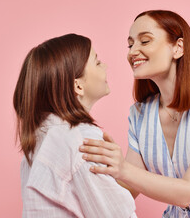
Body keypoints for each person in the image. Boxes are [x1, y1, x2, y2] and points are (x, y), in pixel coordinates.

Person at [79, 10, 190, 217]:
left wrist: (122, 168)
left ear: (178, 48)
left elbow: (189, 191)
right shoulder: (140, 114)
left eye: (145, 41)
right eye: (130, 44)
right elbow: (129, 189)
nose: (133, 51)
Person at [13, 34, 137, 218]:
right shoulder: (80, 140)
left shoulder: (40, 139)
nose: (105, 66)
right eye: (97, 62)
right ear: (78, 86)